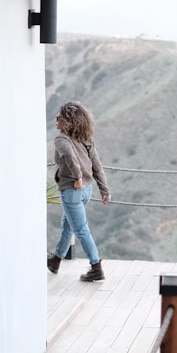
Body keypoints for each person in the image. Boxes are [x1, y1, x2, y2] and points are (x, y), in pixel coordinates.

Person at [47, 101, 111, 282]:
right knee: (68, 224)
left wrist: (77, 177)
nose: (56, 118)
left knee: (81, 230)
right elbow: (97, 166)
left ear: (68, 121)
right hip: (86, 191)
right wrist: (104, 190)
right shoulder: (87, 140)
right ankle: (56, 260)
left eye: (59, 116)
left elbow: (69, 156)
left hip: (72, 190)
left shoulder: (61, 140)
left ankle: (96, 267)